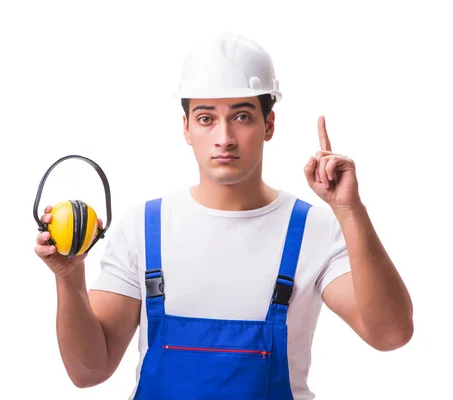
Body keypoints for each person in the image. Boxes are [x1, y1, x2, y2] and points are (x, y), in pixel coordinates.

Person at [34, 32, 414, 399]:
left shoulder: (315, 230)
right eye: (205, 118)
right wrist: (69, 278)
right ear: (185, 127)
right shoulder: (143, 229)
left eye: (242, 117)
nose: (224, 137)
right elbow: (88, 372)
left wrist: (350, 211)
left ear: (269, 125)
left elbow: (391, 334)